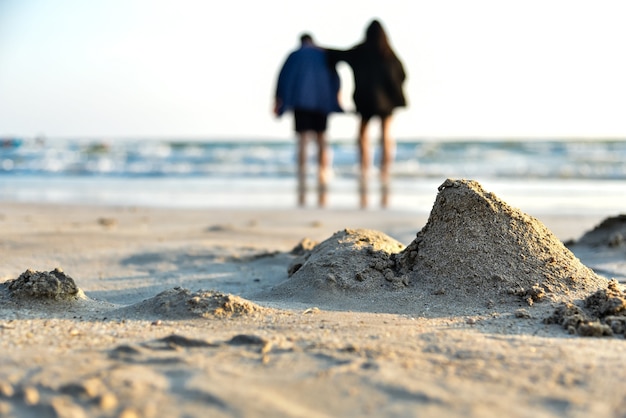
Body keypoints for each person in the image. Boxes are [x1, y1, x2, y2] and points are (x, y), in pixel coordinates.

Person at [327, 19, 407, 208]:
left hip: (365, 98)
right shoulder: (388, 52)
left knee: (363, 133)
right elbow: (403, 74)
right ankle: (385, 170)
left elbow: (338, 55)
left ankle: (364, 168)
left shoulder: (360, 51)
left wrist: (319, 48)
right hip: (386, 100)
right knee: (386, 133)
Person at [274, 33, 342, 208]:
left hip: (301, 102)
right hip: (321, 101)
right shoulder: (322, 54)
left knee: (303, 138)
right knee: (321, 138)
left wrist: (278, 100)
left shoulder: (294, 55)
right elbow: (335, 78)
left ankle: (302, 172)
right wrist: (336, 97)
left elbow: (283, 77)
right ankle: (322, 172)